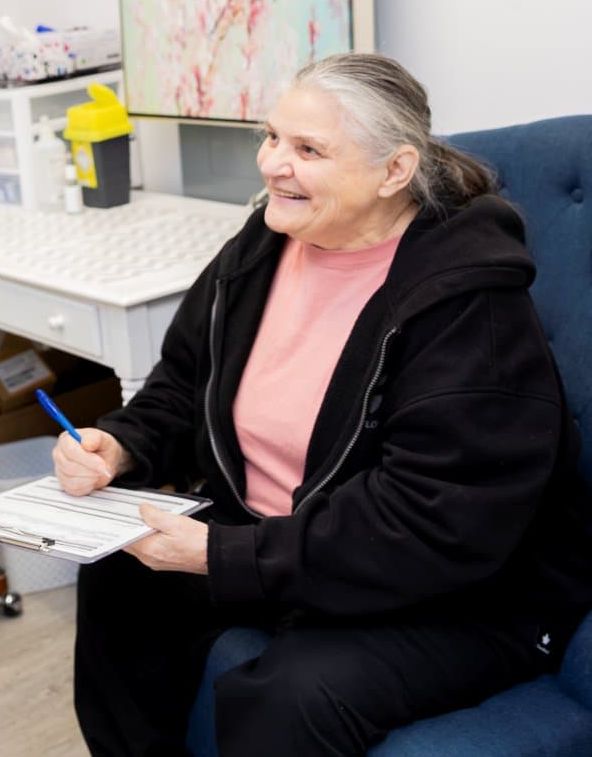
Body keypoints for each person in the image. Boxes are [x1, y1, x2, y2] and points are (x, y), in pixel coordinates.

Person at [54, 52, 592, 756]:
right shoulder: (265, 243)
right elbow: (186, 381)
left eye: (308, 150)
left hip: (459, 590)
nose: (273, 164)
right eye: (272, 137)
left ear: (394, 171)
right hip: (287, 546)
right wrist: (124, 443)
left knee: (288, 700)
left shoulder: (468, 305)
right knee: (114, 574)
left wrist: (228, 555)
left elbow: (426, 520)